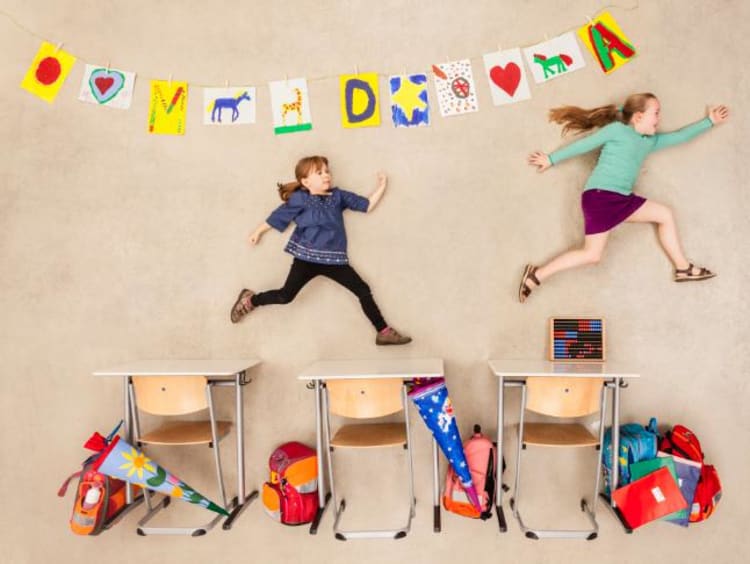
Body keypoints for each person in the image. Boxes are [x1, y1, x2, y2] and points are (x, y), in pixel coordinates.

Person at [520, 93, 729, 302]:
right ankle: (536, 275)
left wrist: (709, 121)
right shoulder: (617, 130)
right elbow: (584, 145)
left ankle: (683, 268)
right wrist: (551, 159)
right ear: (638, 117)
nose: (659, 118)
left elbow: (680, 136)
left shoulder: (650, 141)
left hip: (623, 199)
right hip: (600, 197)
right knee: (592, 255)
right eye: (656, 113)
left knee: (664, 214)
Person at [230, 155, 411, 345]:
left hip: (334, 261)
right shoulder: (300, 199)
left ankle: (383, 332)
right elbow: (278, 217)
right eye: (319, 172)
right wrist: (257, 232)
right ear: (305, 181)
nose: (326, 175)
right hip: (306, 258)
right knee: (285, 296)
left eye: (327, 171)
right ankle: (249, 301)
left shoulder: (338, 196)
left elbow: (367, 205)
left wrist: (382, 185)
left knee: (363, 290)